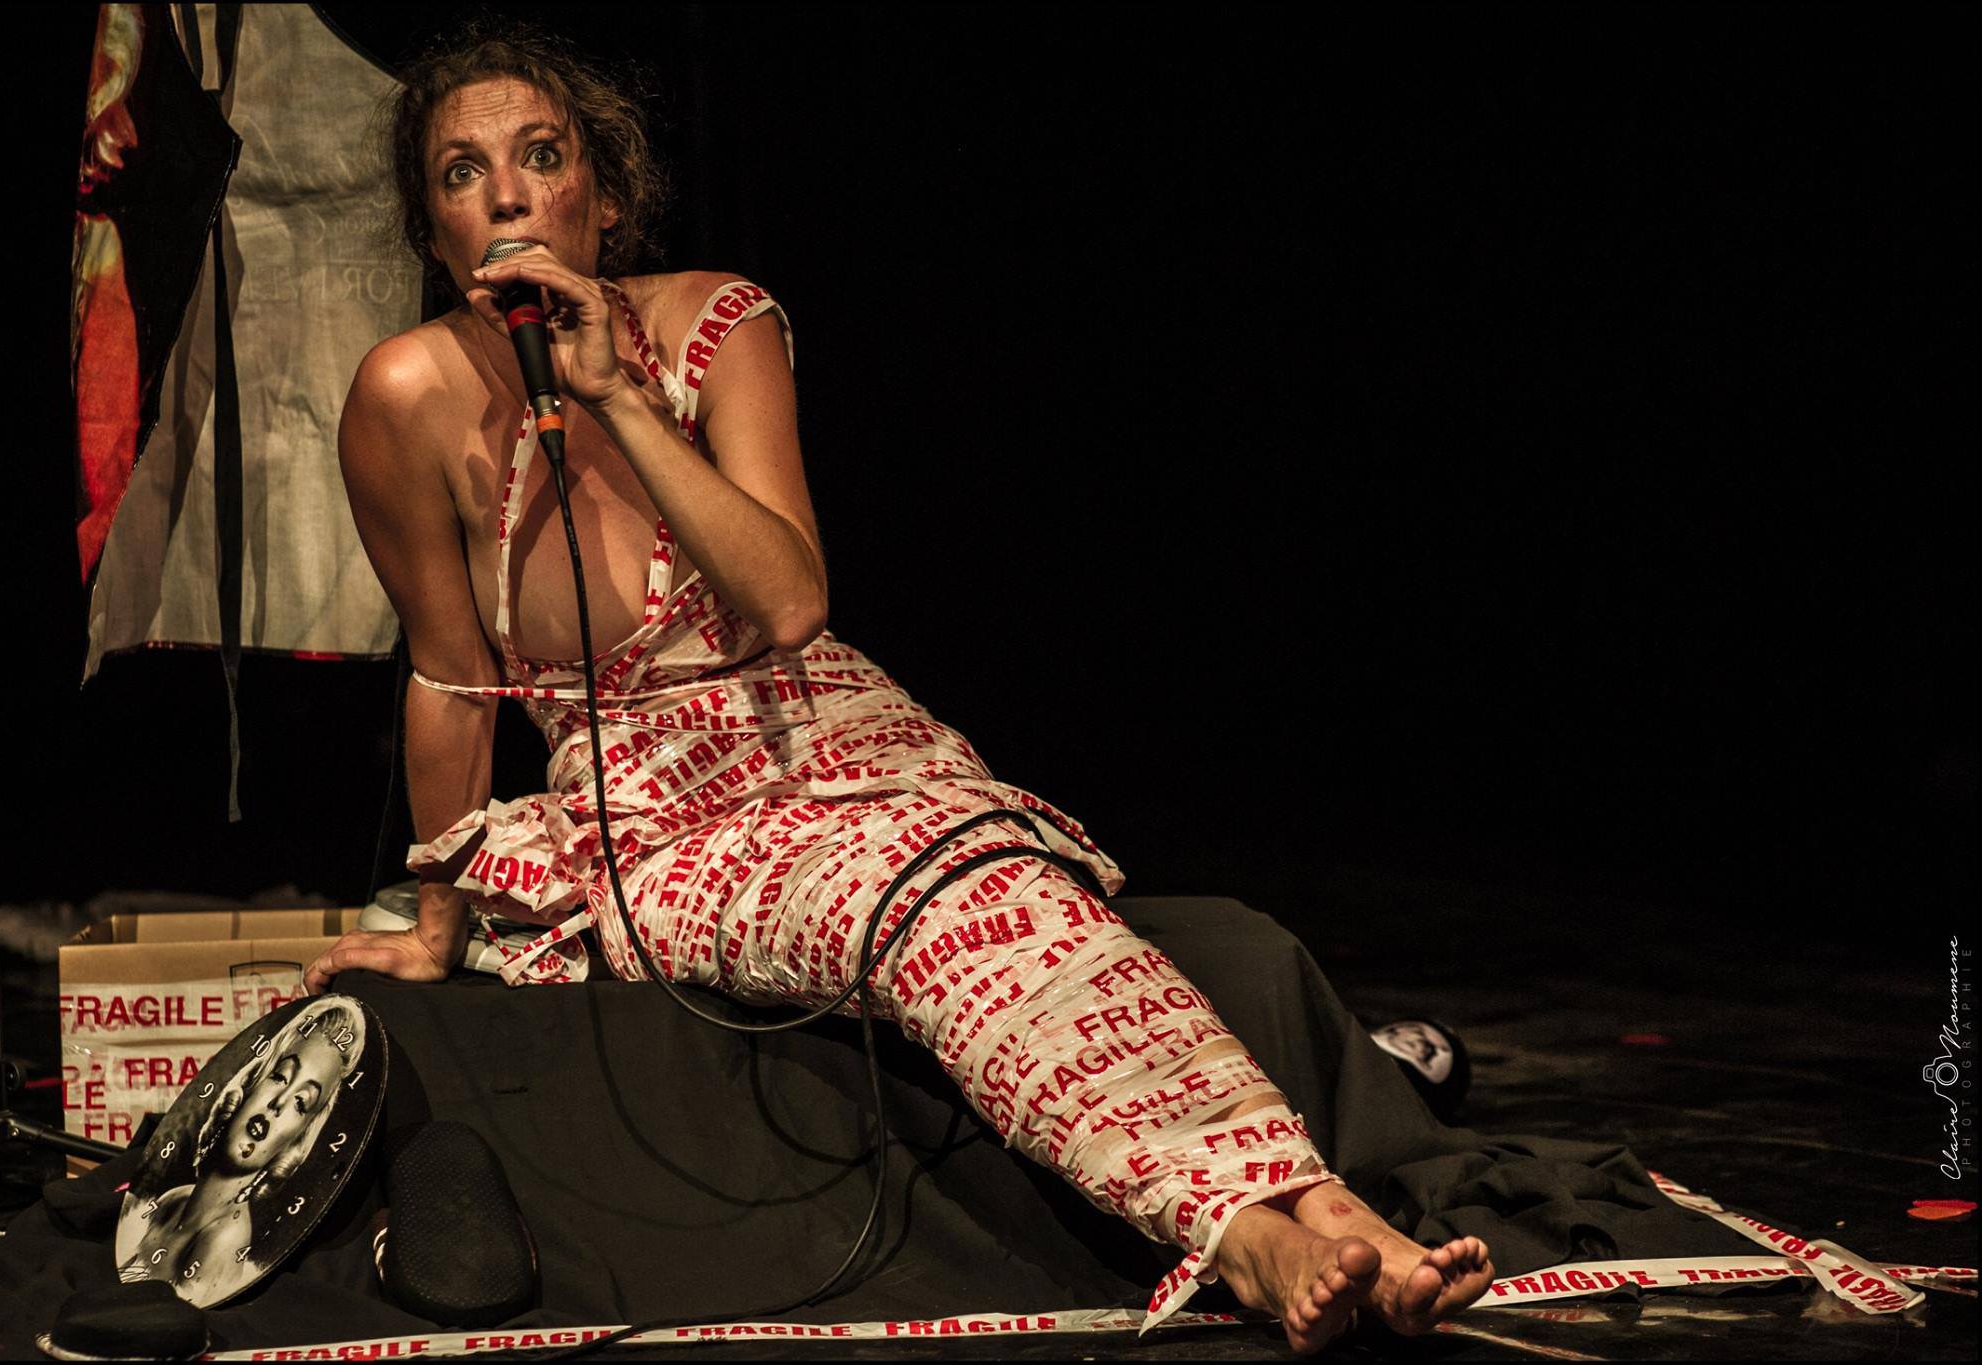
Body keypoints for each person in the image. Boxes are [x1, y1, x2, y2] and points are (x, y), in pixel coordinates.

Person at [300, 19, 1492, 1351]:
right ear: (434, 230)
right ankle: (1257, 1232)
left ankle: (1310, 1212)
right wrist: (436, 923)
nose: (509, 195)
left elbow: (788, 601)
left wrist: (618, 398)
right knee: (927, 912)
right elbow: (451, 676)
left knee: (1001, 887)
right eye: (463, 173)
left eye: (541, 156)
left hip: (840, 736)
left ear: (605, 197)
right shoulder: (405, 394)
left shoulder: (715, 322)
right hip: (659, 817)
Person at [118, 1000, 364, 1305]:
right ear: (250, 1083)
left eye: (301, 1103)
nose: (279, 1103)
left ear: (297, 1139)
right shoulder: (174, 1200)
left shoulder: (225, 1240)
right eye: (280, 1077)